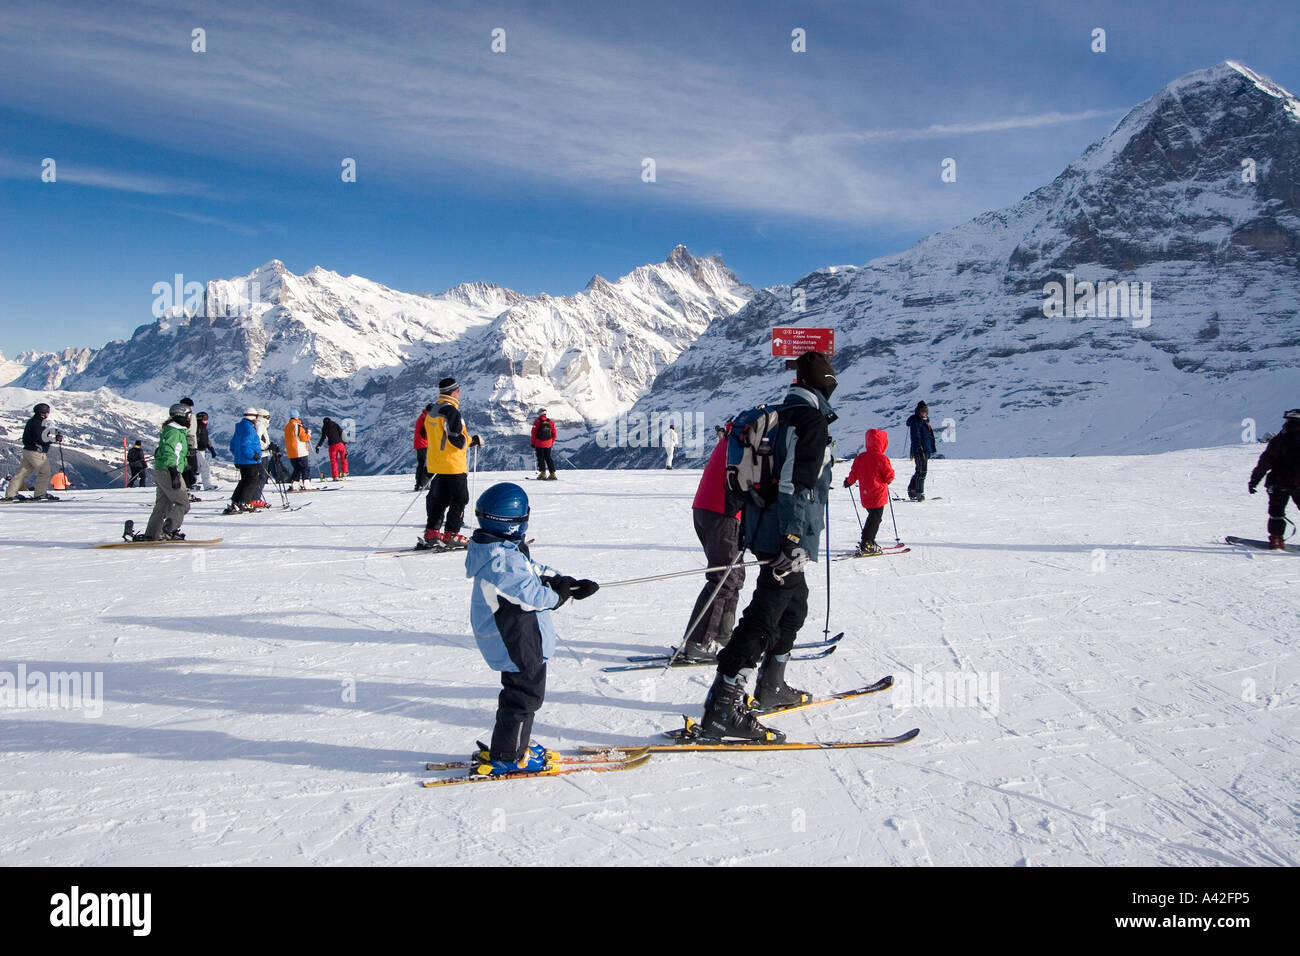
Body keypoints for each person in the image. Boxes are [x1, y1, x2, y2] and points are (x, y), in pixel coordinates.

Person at [699, 351, 837, 742]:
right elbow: (796, 483)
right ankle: (724, 704)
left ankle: (771, 685)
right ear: (823, 383)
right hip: (785, 534)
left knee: (794, 605)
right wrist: (794, 538)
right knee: (765, 613)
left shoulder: (778, 415)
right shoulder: (809, 420)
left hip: (763, 527)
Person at [463, 482, 599, 775]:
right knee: (524, 695)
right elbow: (531, 594)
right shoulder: (500, 560)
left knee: (522, 691)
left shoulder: (501, 548)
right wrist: (559, 595)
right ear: (515, 522)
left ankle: (514, 742)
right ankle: (509, 755)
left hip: (518, 633)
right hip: (512, 638)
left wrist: (566, 582)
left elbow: (532, 570)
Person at [680, 421, 744, 662]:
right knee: (724, 578)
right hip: (722, 513)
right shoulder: (743, 445)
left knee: (733, 575)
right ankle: (699, 642)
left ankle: (722, 634)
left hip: (709, 510)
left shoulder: (732, 441)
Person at [418, 377, 481, 550]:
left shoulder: (432, 411)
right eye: (458, 391)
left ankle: (432, 533)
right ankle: (451, 534)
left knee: (441, 499)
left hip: (435, 464)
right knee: (461, 498)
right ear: (454, 392)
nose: (459, 394)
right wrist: (471, 440)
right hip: (452, 464)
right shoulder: (451, 411)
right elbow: (457, 440)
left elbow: (425, 434)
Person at [135, 403, 192, 540]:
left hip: (162, 471)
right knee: (183, 503)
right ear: (180, 416)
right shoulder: (174, 432)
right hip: (169, 472)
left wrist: (184, 464)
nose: (190, 419)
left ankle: (152, 534)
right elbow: (169, 451)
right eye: (188, 416)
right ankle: (169, 530)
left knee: (162, 505)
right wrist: (174, 471)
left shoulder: (172, 431)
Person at [1248, 408, 1300, 550]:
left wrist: (1254, 481)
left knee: (1276, 512)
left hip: (1278, 483)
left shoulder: (1278, 440)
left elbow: (1265, 462)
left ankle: (1276, 540)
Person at [844, 428, 896, 555]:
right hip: (878, 494)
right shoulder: (882, 458)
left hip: (866, 494)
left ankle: (867, 539)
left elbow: (854, 473)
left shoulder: (861, 458)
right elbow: (889, 475)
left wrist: (849, 482)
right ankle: (867, 542)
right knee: (875, 518)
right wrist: (888, 480)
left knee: (872, 516)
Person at [3, 403, 61, 501]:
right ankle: (40, 494)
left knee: (21, 473)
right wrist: (55, 439)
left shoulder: (34, 422)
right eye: (47, 412)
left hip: (28, 451)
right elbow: (41, 439)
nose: (48, 414)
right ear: (42, 413)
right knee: (44, 472)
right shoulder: (37, 423)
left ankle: (10, 494)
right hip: (36, 452)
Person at [225, 408, 263, 514]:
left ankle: (236, 501)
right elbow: (245, 445)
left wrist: (238, 455)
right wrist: (253, 455)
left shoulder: (240, 427)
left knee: (244, 481)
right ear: (253, 417)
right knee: (252, 481)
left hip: (240, 460)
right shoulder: (249, 428)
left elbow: (233, 445)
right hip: (249, 461)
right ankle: (244, 503)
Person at [906, 401, 936, 501]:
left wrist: (931, 449)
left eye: (926, 411)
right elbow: (916, 436)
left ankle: (912, 489)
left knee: (919, 471)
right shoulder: (916, 421)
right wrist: (919, 449)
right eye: (922, 411)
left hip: (926, 450)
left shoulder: (925, 422)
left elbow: (928, 436)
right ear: (918, 411)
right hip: (919, 450)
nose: (924, 413)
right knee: (922, 471)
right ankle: (919, 493)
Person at [284, 410, 312, 491]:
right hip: (300, 450)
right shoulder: (298, 426)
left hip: (291, 452)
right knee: (304, 468)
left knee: (297, 468)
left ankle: (295, 484)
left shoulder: (287, 426)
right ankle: (306, 483)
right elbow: (304, 438)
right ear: (297, 417)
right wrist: (309, 433)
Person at [178, 397, 199, 495]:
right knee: (190, 467)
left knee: (186, 467)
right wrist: (191, 445)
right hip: (189, 444)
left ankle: (185, 487)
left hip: (185, 444)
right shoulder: (189, 416)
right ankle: (187, 488)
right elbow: (190, 431)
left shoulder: (177, 416)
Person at [530, 409, 557, 480]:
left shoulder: (537, 422)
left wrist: (533, 443)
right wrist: (551, 442)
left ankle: (543, 473)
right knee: (548, 458)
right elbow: (554, 433)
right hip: (548, 443)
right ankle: (552, 473)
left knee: (540, 458)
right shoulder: (550, 422)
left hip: (539, 443)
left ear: (539, 414)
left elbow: (534, 434)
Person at [195, 413, 218, 491]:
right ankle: (206, 485)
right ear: (200, 419)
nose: (206, 420)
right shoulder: (197, 427)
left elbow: (206, 440)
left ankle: (194, 484)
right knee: (204, 467)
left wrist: (211, 448)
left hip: (201, 450)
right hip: (197, 450)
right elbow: (197, 439)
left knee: (198, 468)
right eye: (205, 419)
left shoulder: (203, 428)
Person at [414, 404, 433, 491]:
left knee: (421, 464)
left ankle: (419, 484)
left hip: (420, 444)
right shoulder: (425, 418)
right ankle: (422, 483)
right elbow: (428, 430)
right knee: (426, 464)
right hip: (423, 444)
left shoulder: (423, 416)